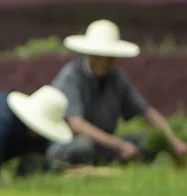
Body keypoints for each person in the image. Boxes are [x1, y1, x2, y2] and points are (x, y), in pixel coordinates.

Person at [48, 20, 187, 167]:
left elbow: (147, 112)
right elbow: (76, 124)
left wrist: (173, 140)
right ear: (89, 53)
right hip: (71, 143)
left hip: (105, 144)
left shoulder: (117, 79)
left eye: (108, 56)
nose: (103, 61)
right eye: (98, 55)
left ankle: (113, 160)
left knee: (149, 140)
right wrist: (118, 145)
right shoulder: (71, 77)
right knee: (83, 147)